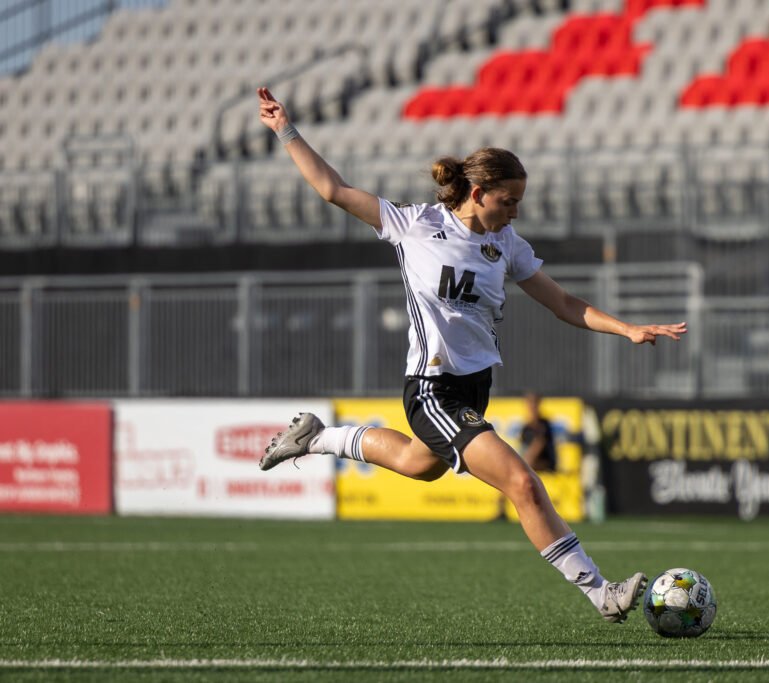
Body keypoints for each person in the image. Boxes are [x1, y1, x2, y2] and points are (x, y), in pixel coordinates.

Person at [254, 86, 688, 624]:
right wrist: (285, 130)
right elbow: (332, 188)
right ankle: (602, 592)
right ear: (478, 192)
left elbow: (564, 303)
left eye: (519, 203)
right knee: (522, 482)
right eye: (509, 201)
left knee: (420, 465)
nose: (515, 211)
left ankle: (318, 436)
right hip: (432, 389)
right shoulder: (413, 225)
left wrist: (626, 329)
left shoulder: (507, 245)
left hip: (474, 387)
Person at [519, 392, 556, 473]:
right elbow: (522, 447)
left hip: (545, 465)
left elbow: (540, 444)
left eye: (534, 403)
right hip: (530, 463)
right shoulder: (526, 427)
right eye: (529, 403)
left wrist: (526, 462)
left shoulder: (543, 424)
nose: (531, 406)